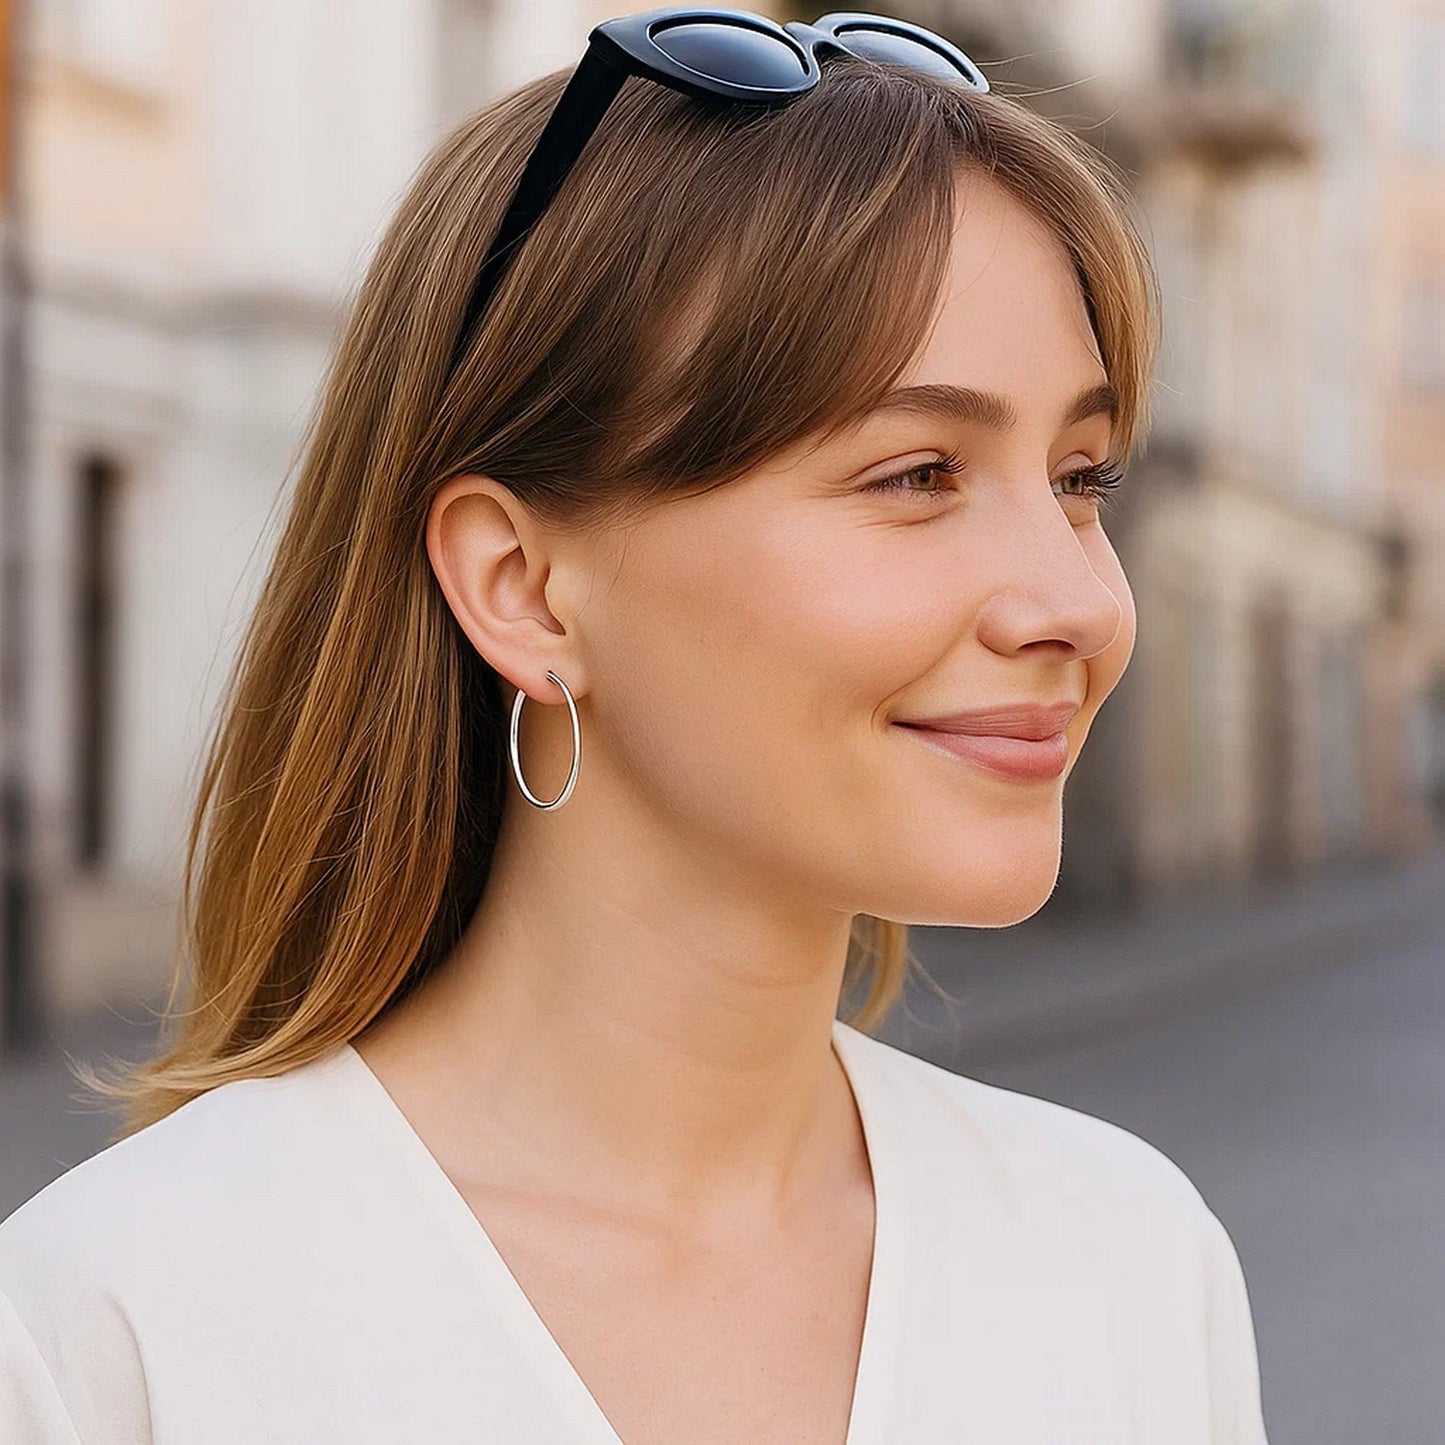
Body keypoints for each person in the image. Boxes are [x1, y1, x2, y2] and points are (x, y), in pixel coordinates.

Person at [0, 9, 1269, 1442]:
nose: (1080, 604)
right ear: (525, 587)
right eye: (916, 472)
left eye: (1079, 476)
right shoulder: (113, 1329)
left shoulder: (1129, 1263)